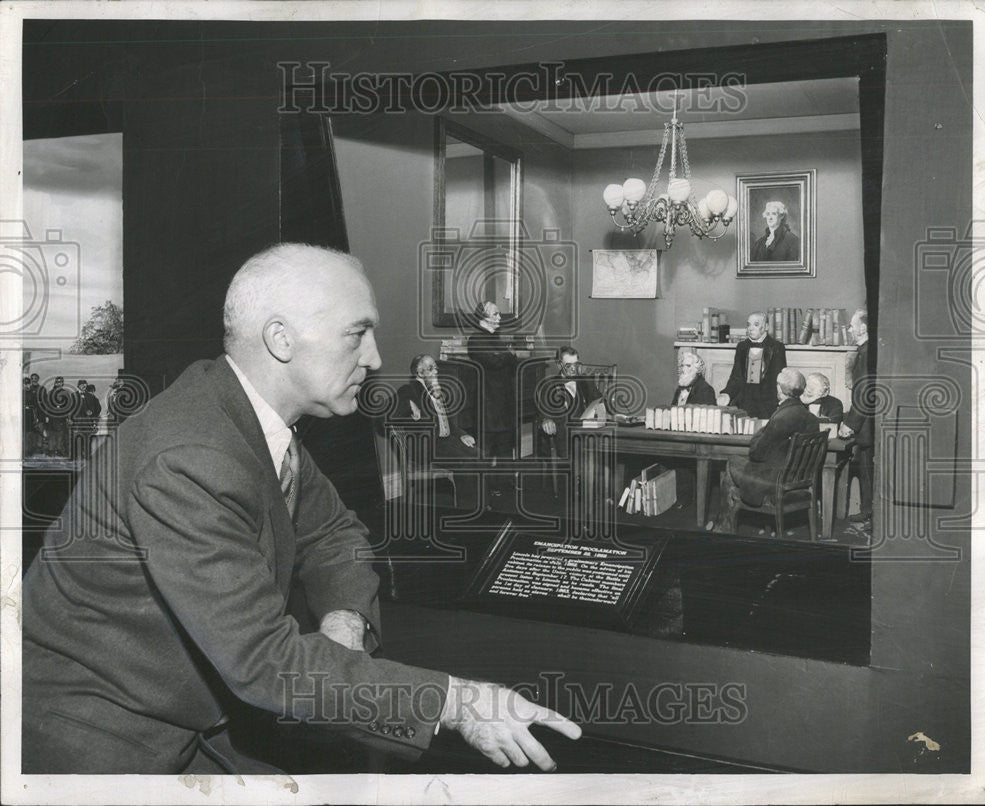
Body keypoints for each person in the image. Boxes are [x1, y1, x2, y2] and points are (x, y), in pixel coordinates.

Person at [21, 244, 580, 774]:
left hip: (197, 717)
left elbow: (334, 533)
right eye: (357, 334)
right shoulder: (190, 456)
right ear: (281, 339)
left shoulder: (248, 418)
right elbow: (265, 662)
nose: (375, 357)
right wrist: (460, 702)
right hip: (101, 739)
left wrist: (344, 619)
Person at [716, 368, 819, 532]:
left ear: (779, 388)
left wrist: (761, 432)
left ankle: (724, 525)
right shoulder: (810, 418)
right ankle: (725, 524)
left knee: (731, 461)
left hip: (775, 482)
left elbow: (757, 453)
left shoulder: (781, 417)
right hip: (795, 480)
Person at [465, 300, 520, 496]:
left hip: (503, 403)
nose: (499, 318)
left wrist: (504, 354)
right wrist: (507, 354)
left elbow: (512, 362)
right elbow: (496, 361)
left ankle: (503, 485)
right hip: (487, 404)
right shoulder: (476, 340)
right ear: (482, 318)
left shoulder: (496, 339)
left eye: (498, 314)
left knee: (505, 446)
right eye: (495, 314)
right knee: (486, 450)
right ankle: (485, 490)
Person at [394, 355, 478, 460]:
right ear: (419, 373)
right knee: (468, 460)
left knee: (479, 454)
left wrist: (462, 434)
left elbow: (447, 424)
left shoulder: (436, 391)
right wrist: (409, 405)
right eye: (430, 368)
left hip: (447, 442)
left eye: (435, 368)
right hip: (428, 448)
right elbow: (387, 414)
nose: (436, 372)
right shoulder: (409, 390)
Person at [838, 308, 875, 525]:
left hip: (867, 423)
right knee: (866, 467)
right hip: (868, 422)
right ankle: (869, 511)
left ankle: (870, 513)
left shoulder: (866, 352)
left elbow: (864, 393)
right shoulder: (867, 350)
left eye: (852, 325)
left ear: (863, 327)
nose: (850, 329)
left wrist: (850, 424)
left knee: (867, 467)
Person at [717, 312, 787, 418]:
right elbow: (736, 376)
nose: (751, 328)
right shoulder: (742, 347)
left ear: (766, 327)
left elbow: (779, 379)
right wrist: (727, 393)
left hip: (767, 404)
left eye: (756, 324)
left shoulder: (777, 347)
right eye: (748, 324)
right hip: (744, 401)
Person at [537, 346, 602, 459]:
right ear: (559, 365)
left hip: (587, 434)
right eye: (568, 365)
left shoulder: (586, 381)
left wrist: (600, 413)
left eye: (576, 364)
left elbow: (600, 402)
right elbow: (544, 414)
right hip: (564, 437)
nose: (573, 369)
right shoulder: (549, 386)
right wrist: (546, 420)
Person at [43, 375, 72, 456]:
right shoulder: (50, 392)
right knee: (52, 433)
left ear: (62, 383)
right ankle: (51, 450)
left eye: (60, 382)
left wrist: (68, 417)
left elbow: (68, 406)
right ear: (55, 383)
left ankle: (60, 450)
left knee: (61, 434)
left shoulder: (65, 393)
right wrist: (47, 416)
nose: (58, 383)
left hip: (61, 416)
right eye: (57, 382)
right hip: (52, 416)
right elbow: (47, 405)